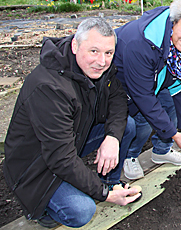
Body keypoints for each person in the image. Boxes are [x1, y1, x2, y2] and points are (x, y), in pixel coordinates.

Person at [3, 18, 140, 229]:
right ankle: (44, 210)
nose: (102, 61)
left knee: (126, 126)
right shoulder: (49, 87)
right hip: (35, 163)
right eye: (93, 51)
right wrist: (104, 196)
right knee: (81, 211)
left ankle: (111, 182)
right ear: (75, 46)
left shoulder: (99, 69)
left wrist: (112, 138)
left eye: (108, 53)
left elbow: (118, 99)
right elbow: (60, 157)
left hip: (70, 140)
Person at [113, 0, 181, 177]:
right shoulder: (143, 42)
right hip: (118, 81)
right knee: (143, 118)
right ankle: (130, 155)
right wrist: (173, 133)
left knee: (169, 103)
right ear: (174, 22)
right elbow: (144, 97)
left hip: (154, 78)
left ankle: (161, 152)